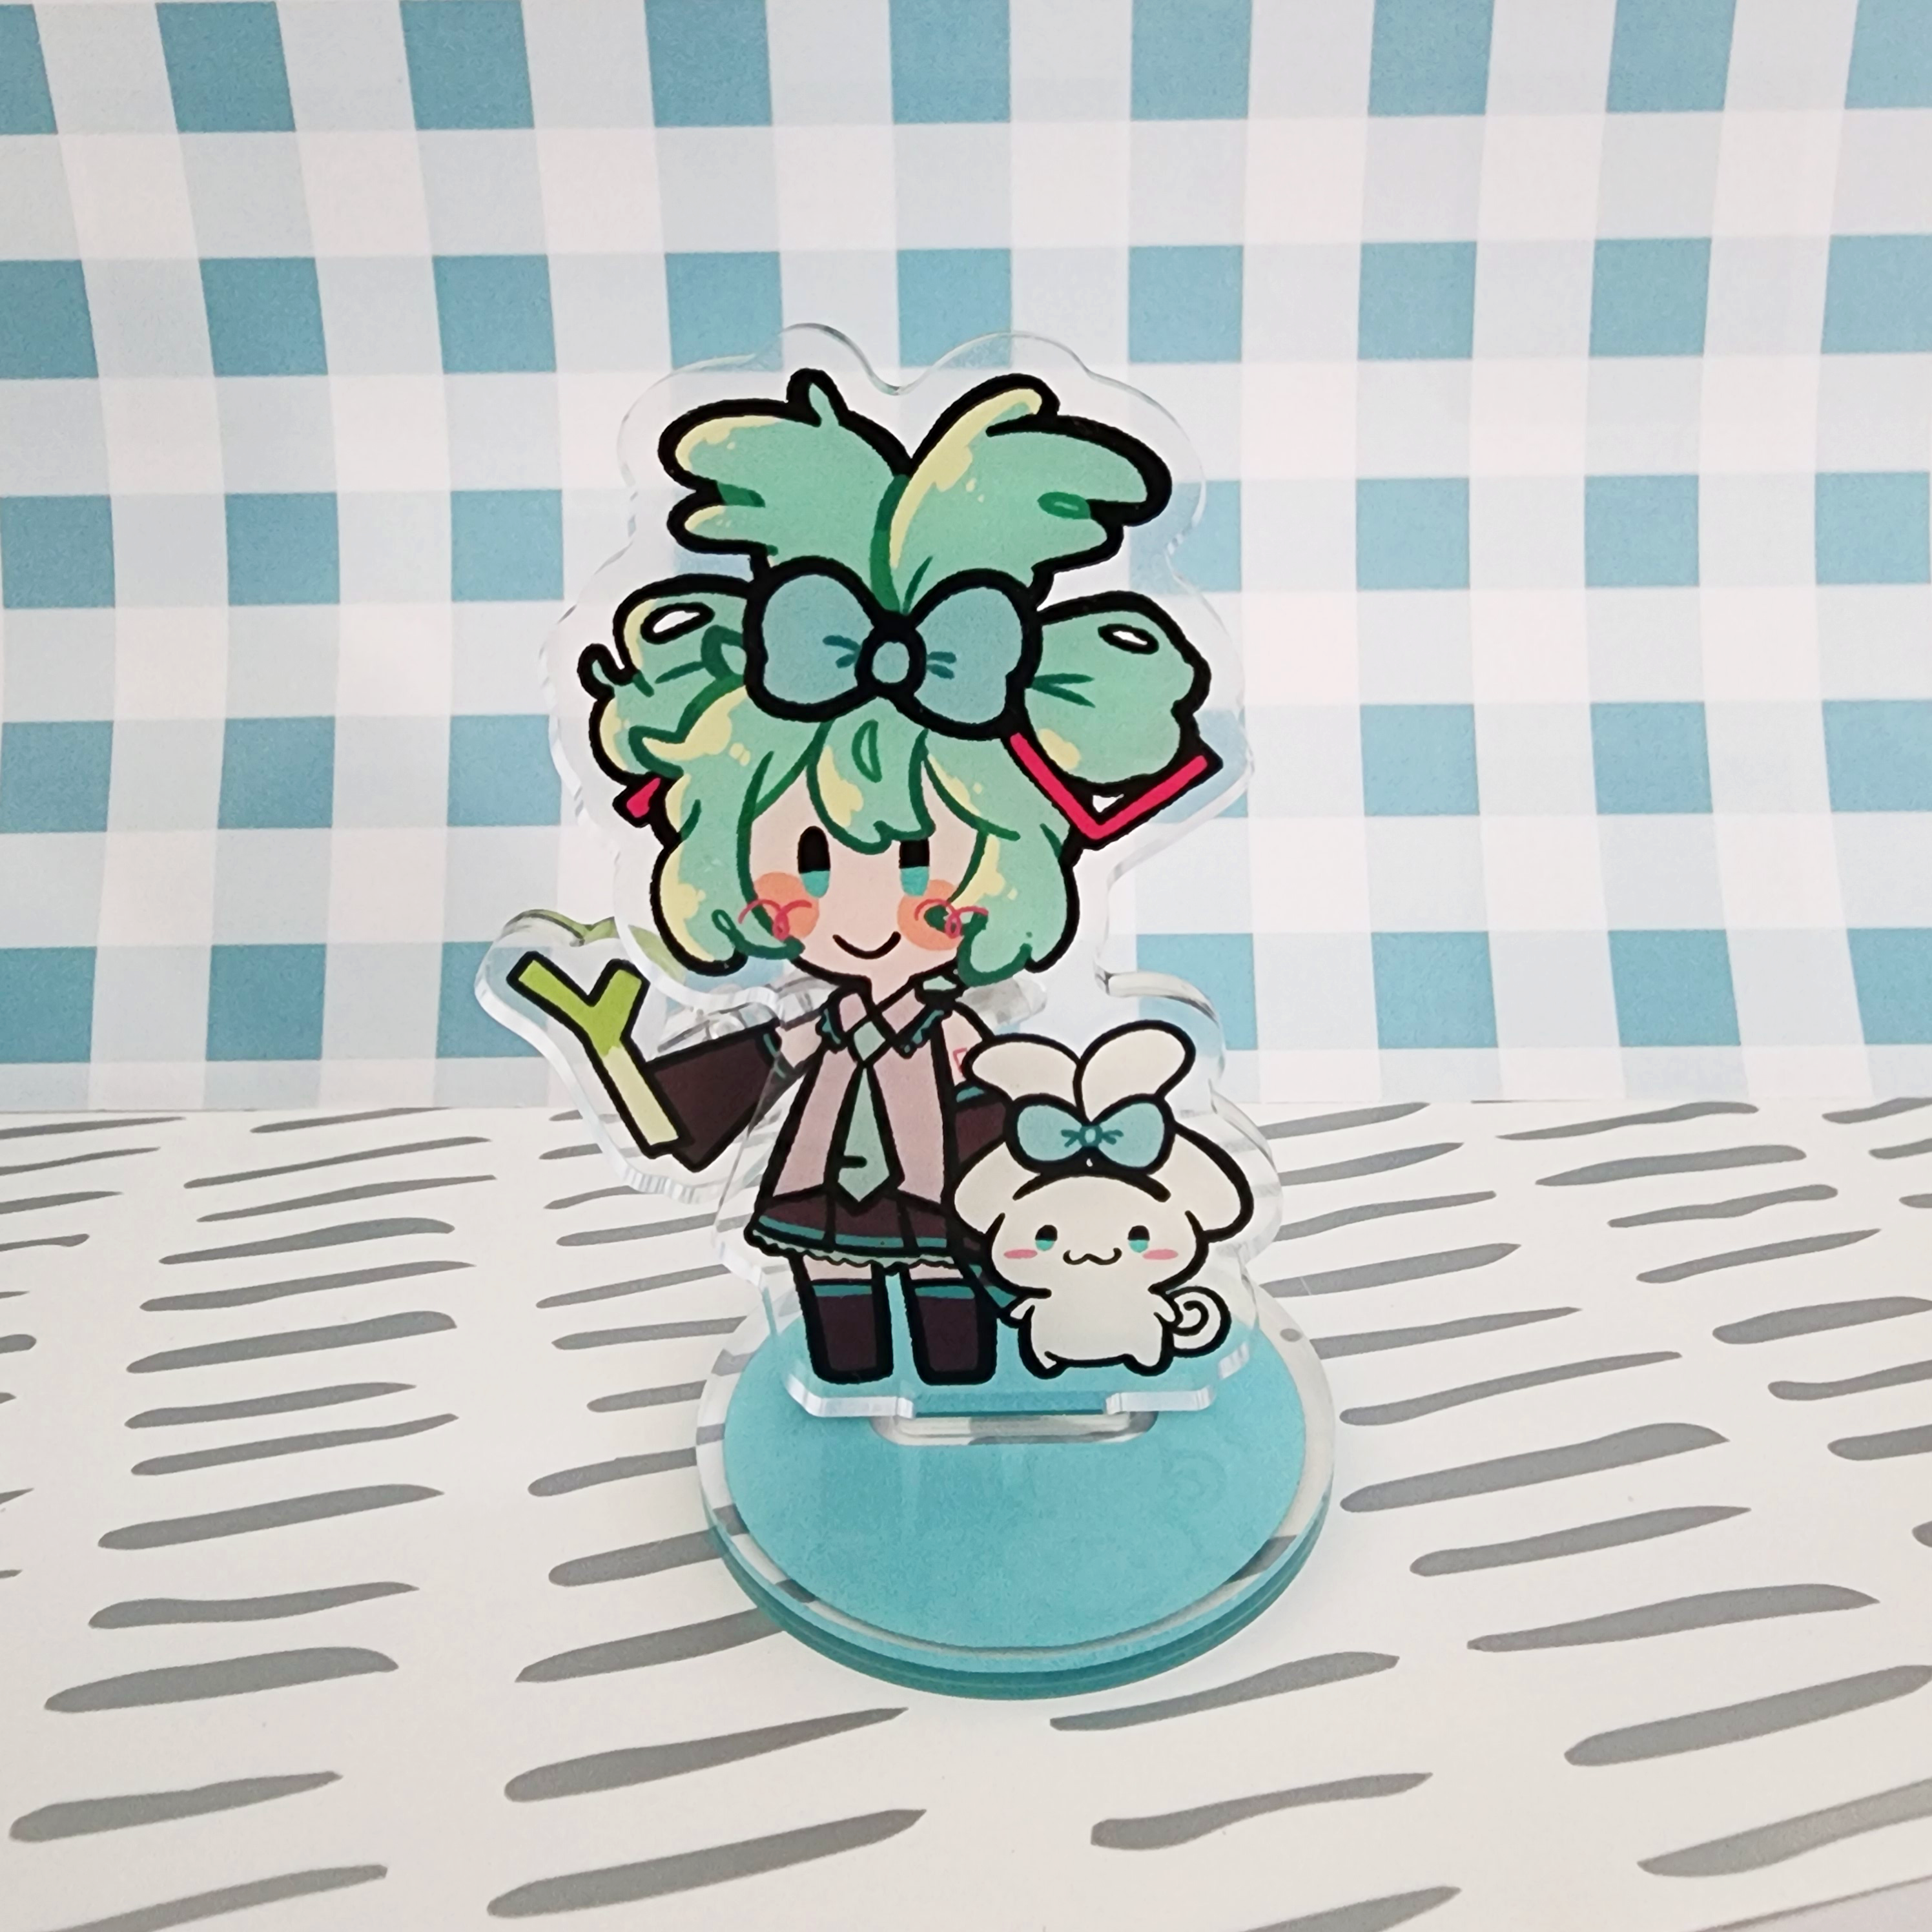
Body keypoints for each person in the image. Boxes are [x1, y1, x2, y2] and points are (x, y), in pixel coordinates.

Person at [515, 367, 1220, 1387]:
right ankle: (847, 1390)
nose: (862, 908)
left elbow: (1007, 1094)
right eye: (812, 858)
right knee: (838, 1323)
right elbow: (737, 1080)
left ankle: (958, 1381)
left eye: (920, 858)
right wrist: (627, 1065)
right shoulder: (816, 1021)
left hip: (947, 1200)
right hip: (816, 1193)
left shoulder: (964, 1029)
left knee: (954, 1320)